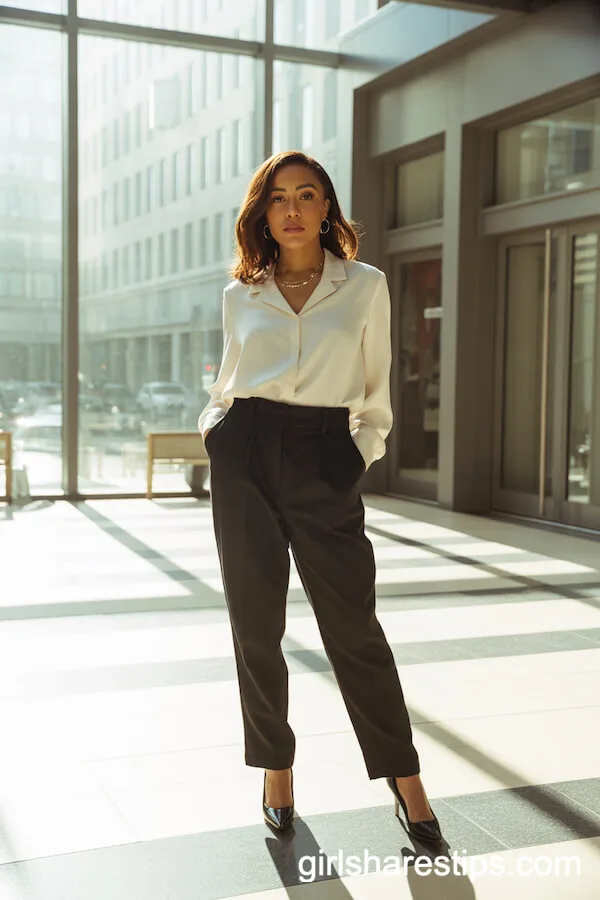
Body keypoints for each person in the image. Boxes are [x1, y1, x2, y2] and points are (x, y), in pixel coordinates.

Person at [198, 150, 442, 842]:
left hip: (325, 452)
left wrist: (356, 453)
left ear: (327, 207)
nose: (293, 210)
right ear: (263, 213)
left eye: (307, 195)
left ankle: (406, 779)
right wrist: (217, 432)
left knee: (354, 628)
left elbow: (376, 389)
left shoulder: (363, 286)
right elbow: (226, 383)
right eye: (279, 198)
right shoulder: (240, 294)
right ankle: (276, 769)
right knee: (255, 625)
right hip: (246, 451)